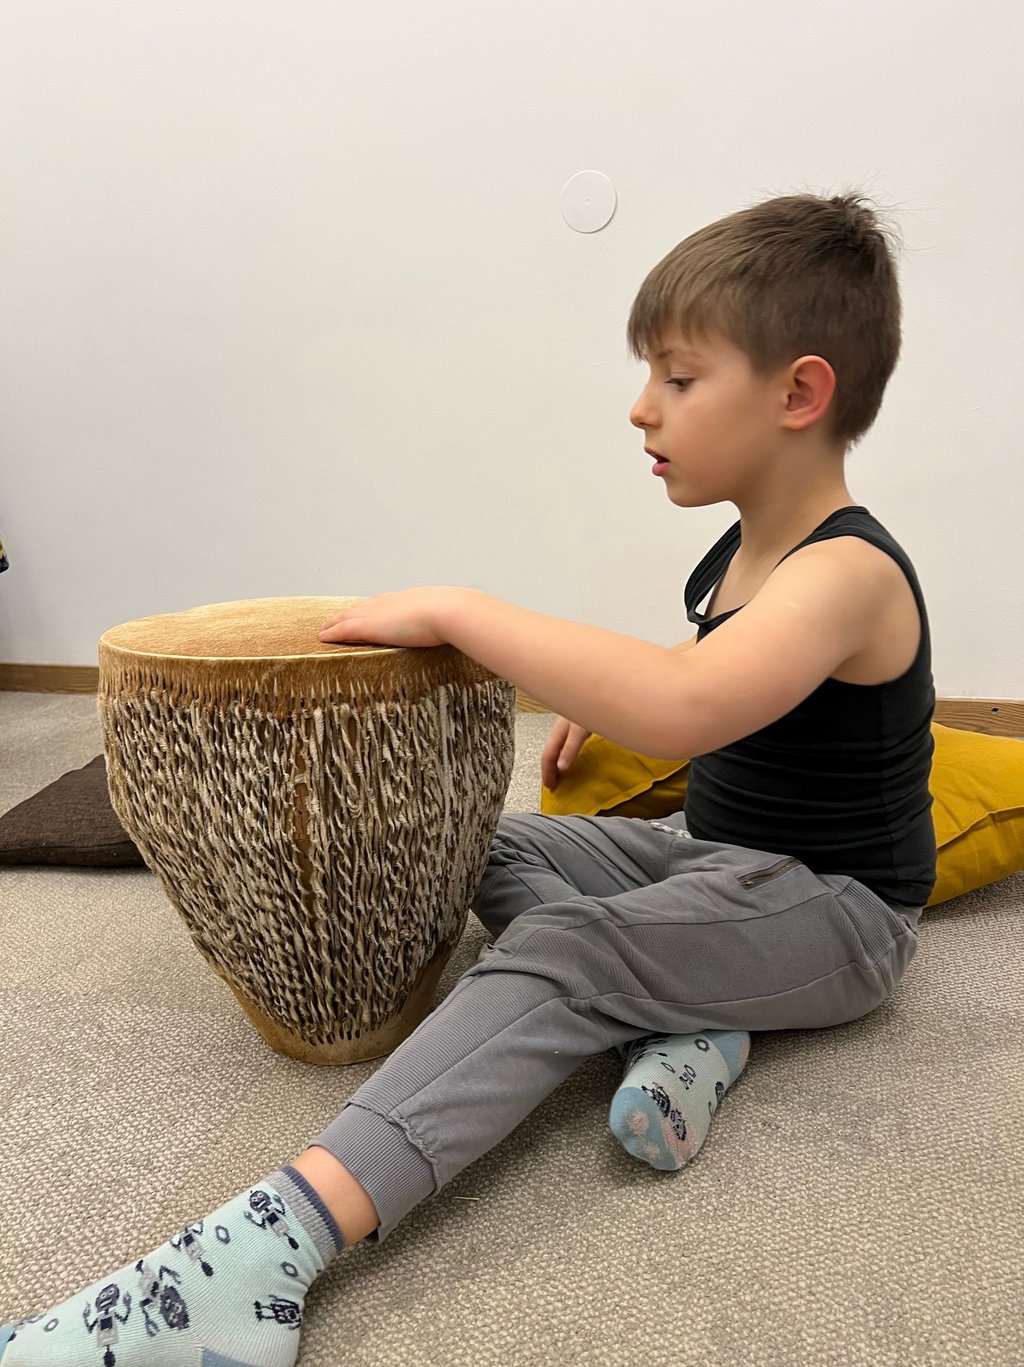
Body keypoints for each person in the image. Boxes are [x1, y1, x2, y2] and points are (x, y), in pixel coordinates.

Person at [1, 188, 935, 1365]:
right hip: (715, 860)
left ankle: (263, 1253)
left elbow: (690, 696)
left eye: (679, 377)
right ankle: (693, 1014)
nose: (640, 405)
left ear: (799, 393)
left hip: (837, 909)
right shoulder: (749, 547)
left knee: (569, 949)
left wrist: (464, 610)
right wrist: (616, 714)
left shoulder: (850, 570)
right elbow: (737, 681)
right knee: (470, 842)